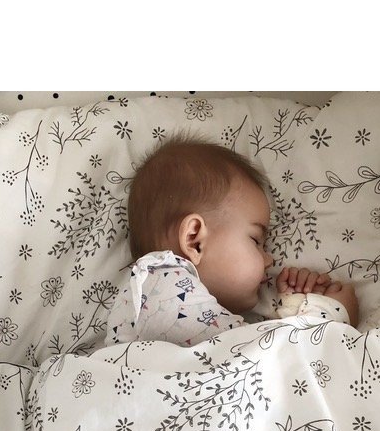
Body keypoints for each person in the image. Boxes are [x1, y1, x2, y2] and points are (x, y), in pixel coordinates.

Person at [105, 135, 358, 347]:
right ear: (194, 241)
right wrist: (329, 316)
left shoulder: (173, 307)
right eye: (255, 240)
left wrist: (294, 308)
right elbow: (259, 359)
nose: (269, 260)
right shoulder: (162, 285)